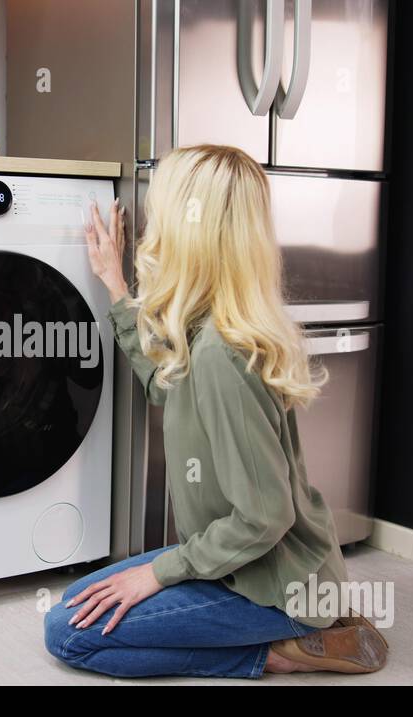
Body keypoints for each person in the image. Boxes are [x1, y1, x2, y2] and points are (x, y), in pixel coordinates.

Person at [43, 145, 388, 679]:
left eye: (160, 213)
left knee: (68, 633)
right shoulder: (210, 328)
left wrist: (163, 571)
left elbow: (265, 516)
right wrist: (116, 287)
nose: (152, 229)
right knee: (75, 601)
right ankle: (303, 628)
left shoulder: (222, 354)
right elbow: (164, 386)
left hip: (274, 588)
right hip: (247, 565)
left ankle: (286, 649)